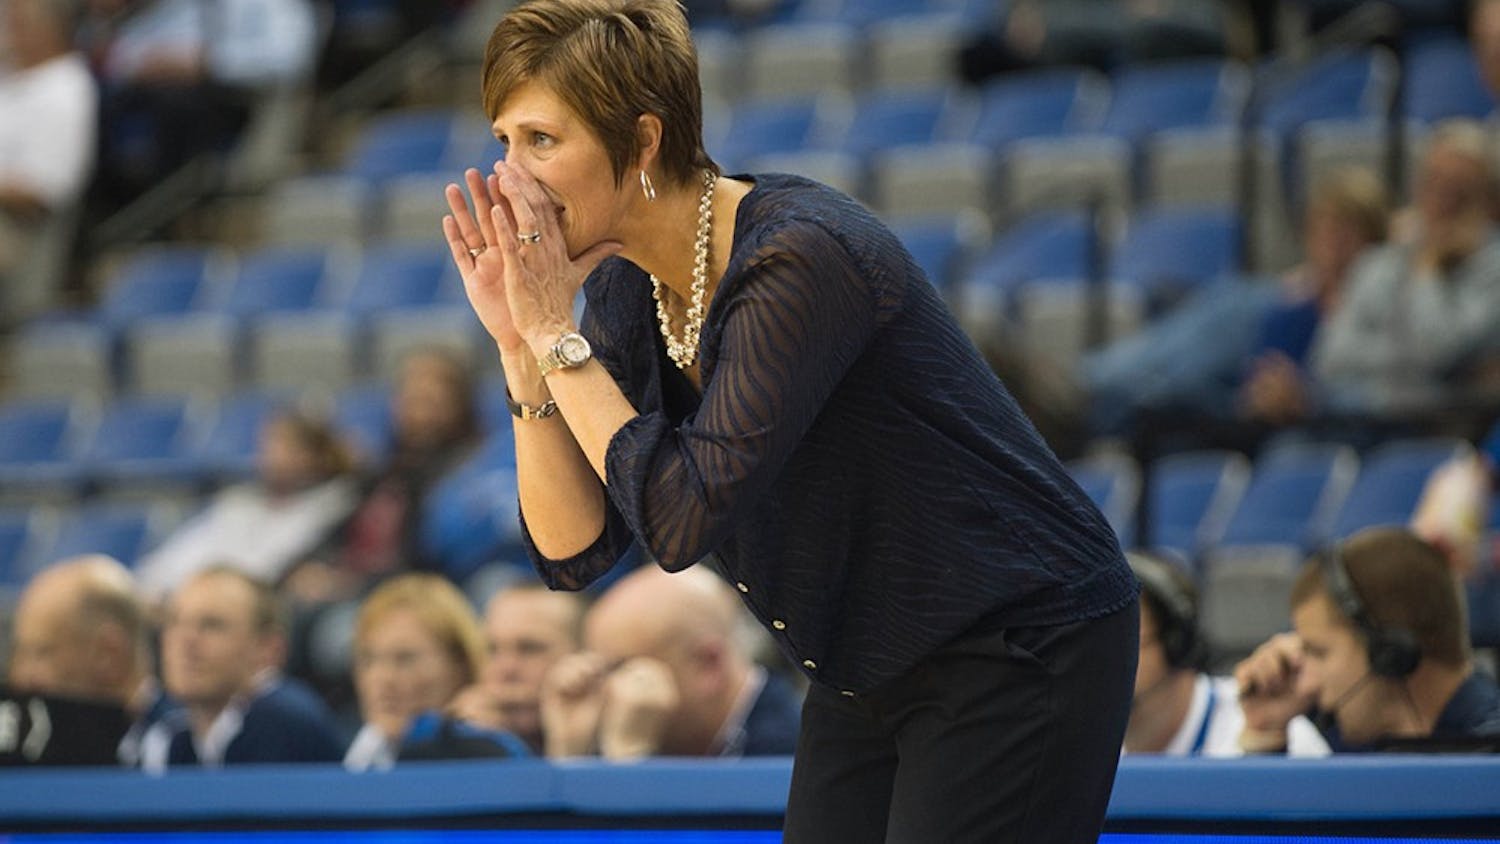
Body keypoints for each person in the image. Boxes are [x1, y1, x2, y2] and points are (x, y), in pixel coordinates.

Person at [441, 1, 1139, 839]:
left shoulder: (798, 258)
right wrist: (523, 349)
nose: (511, 179)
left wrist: (557, 333)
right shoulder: (627, 284)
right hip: (864, 663)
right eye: (503, 142)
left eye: (541, 142)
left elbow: (678, 520)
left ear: (646, 140)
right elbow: (574, 550)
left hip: (1018, 638)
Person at [1244, 119, 1500, 428]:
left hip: (1431, 426)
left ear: (1489, 203)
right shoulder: (1382, 262)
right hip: (1350, 412)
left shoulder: (1492, 270)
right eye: (1433, 184)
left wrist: (1429, 270)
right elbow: (1333, 358)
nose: (1442, 201)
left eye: (1459, 191)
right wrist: (1416, 367)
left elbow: (1439, 351)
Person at [1234, 527, 1500, 753]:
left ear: (1391, 654)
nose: (1307, 686)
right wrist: (1264, 733)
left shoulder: (1488, 751)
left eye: (1320, 653)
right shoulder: (1354, 739)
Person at [537, 564, 800, 760]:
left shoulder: (793, 753)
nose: (605, 691)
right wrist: (571, 755)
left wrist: (632, 760)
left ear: (709, 665)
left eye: (622, 669)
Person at [135, 409, 359, 606]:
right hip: (195, 597)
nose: (270, 456)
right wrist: (156, 589)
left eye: (283, 447)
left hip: (249, 604)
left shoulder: (332, 505)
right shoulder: (239, 503)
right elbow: (186, 551)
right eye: (268, 445)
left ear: (312, 455)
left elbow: (270, 567)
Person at [1124, 552, 1328, 757]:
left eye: (1122, 642)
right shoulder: (1093, 743)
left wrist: (1262, 744)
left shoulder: (1273, 728)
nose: (1100, 660)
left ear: (1177, 645)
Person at [154, 566, 345, 769]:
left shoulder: (285, 725)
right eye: (174, 622)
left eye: (212, 625)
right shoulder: (173, 736)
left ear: (269, 648)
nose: (185, 641)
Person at [6, 555, 175, 766]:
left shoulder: (181, 746)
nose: (21, 677)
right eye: (20, 653)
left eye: (42, 653)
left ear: (109, 654)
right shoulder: (35, 749)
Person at [0, 0, 98, 321]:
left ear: (50, 29)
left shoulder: (66, 87)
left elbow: (42, 192)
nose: (7, 31)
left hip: (21, 228)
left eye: (16, 23)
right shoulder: (8, 76)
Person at [343, 573, 488, 771]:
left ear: (459, 665)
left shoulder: (490, 756)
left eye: (405, 658)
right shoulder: (360, 754)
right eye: (368, 659)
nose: (382, 679)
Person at [448, 583, 585, 755]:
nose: (506, 670)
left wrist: (571, 749)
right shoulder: (460, 735)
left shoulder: (621, 747)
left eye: (530, 648)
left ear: (584, 655)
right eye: (492, 650)